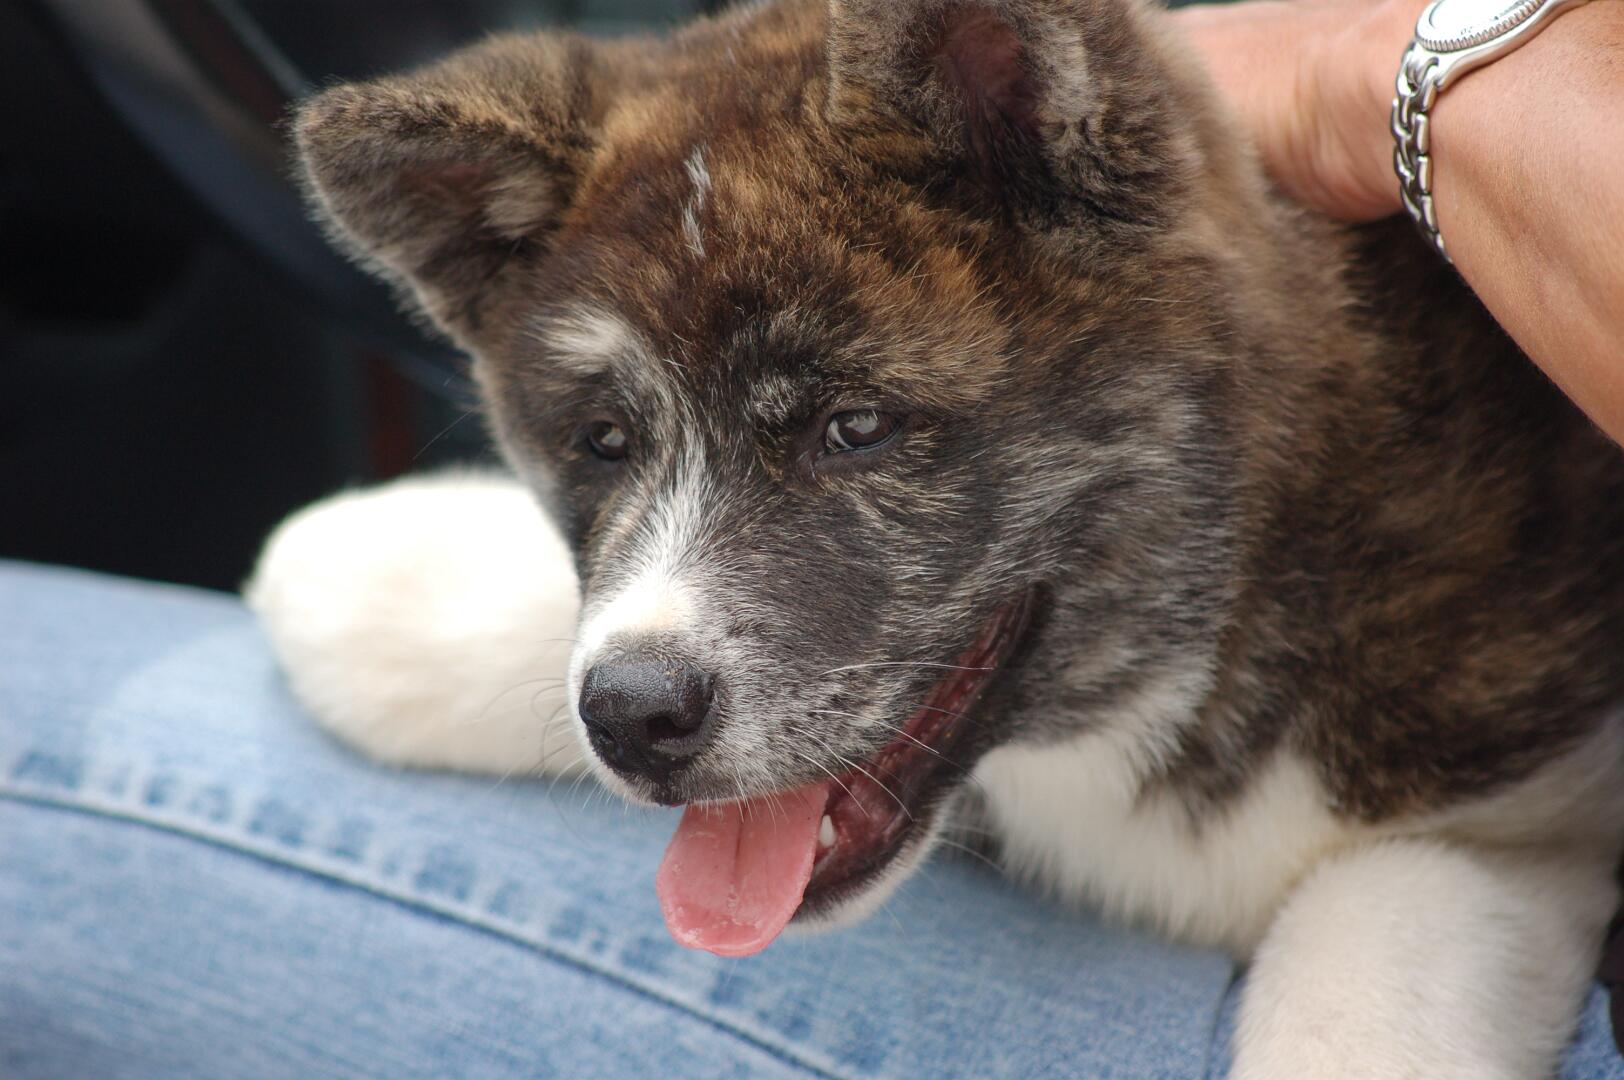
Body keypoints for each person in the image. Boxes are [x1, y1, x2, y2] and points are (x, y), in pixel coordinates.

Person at [3, 1, 1622, 1075]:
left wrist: (1402, 73)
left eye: (852, 432)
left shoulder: (1478, 598)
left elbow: (1513, 840)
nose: (645, 632)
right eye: (609, 446)